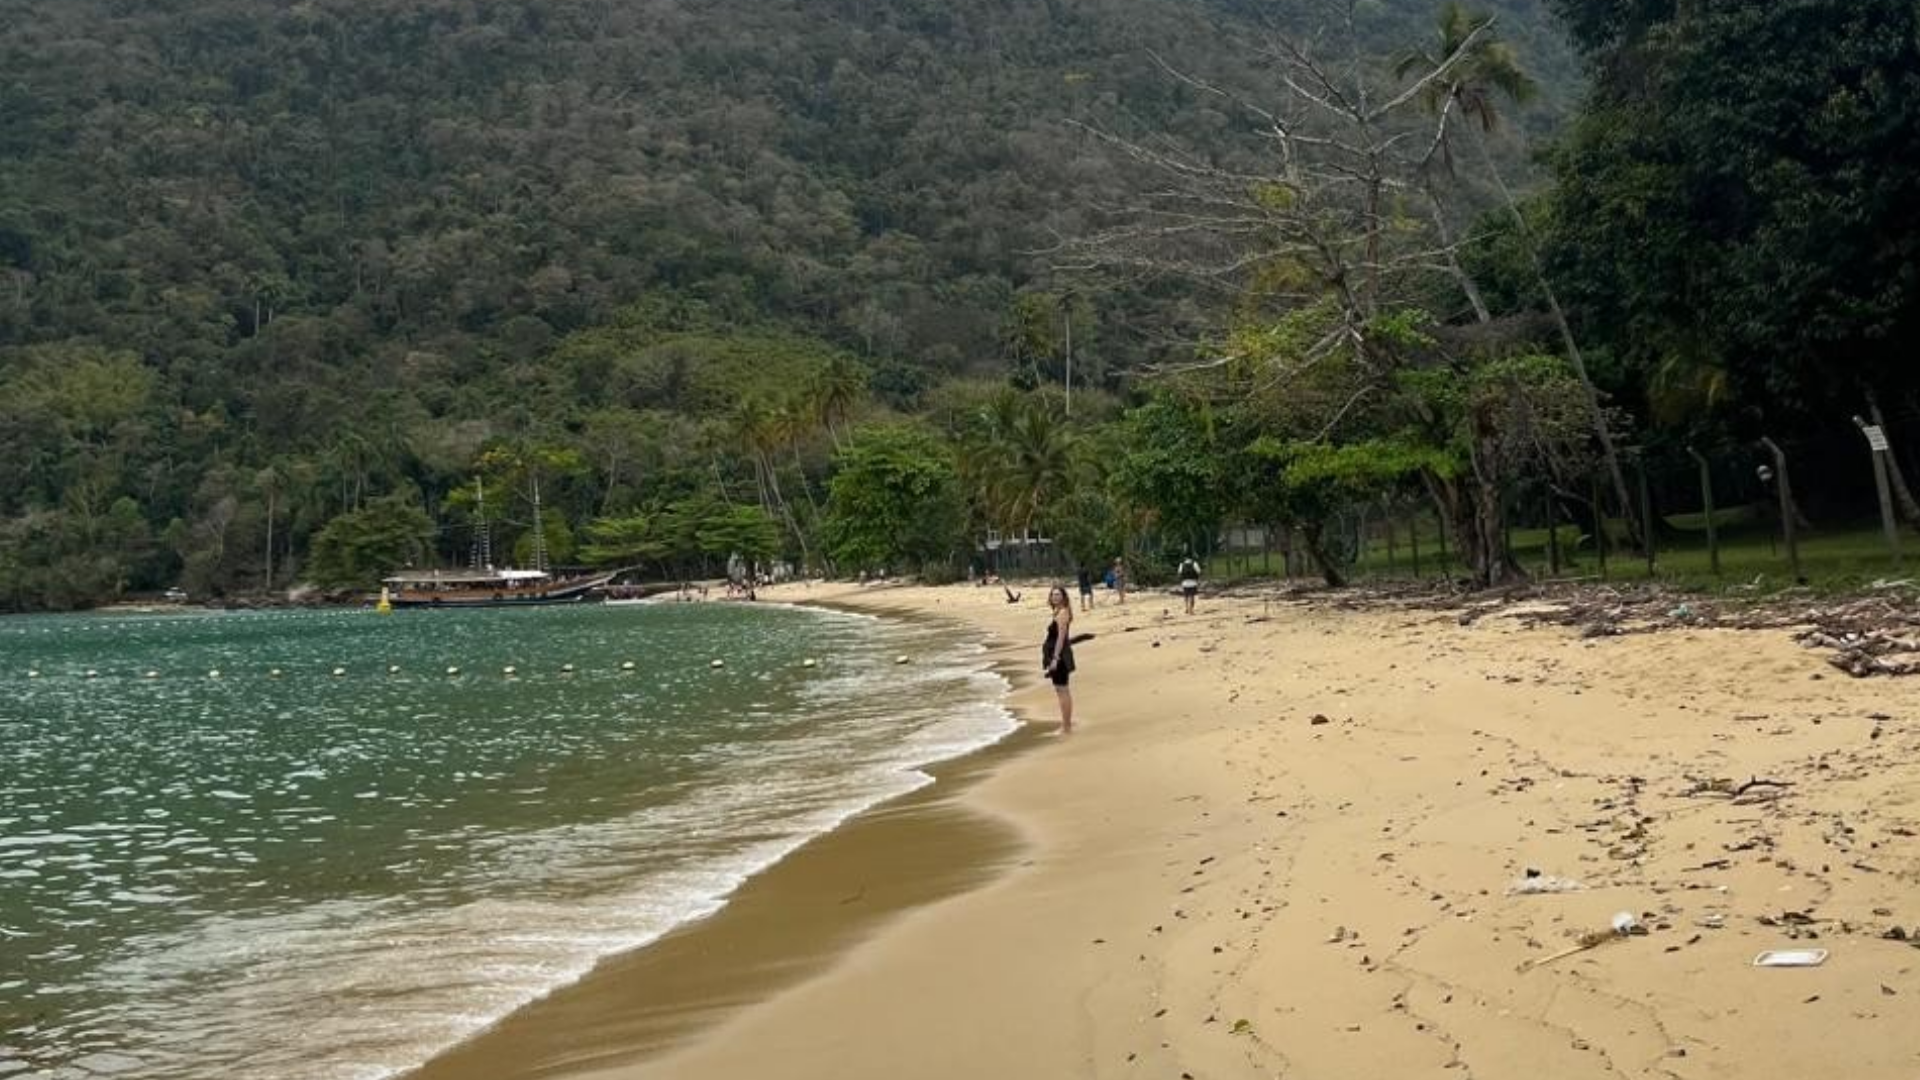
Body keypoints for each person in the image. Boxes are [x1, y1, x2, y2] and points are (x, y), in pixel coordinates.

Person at [1042, 584, 1076, 733]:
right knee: (1060, 689)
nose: (1055, 597)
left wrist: (1055, 658)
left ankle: (1066, 726)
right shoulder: (1058, 612)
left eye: (1058, 595)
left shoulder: (1062, 613)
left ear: (1063, 597)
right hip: (1057, 655)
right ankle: (1066, 723)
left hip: (1060, 656)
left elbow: (1061, 638)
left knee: (1062, 690)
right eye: (1053, 595)